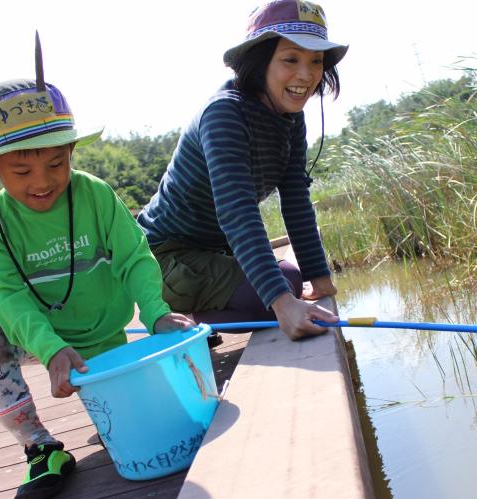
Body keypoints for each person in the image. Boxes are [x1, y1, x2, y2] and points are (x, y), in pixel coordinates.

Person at [0, 34, 193, 499]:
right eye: (21, 172)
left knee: (138, 428)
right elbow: (6, 297)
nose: (42, 181)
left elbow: (134, 258)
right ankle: (40, 447)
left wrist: (156, 314)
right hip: (40, 338)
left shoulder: (95, 195)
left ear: (71, 153)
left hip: (104, 333)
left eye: (56, 162)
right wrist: (49, 348)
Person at [137, 0, 346, 341]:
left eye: (316, 61)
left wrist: (320, 279)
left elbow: (295, 199)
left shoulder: (291, 119)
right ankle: (182, 324)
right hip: (164, 257)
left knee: (292, 277)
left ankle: (208, 317)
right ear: (259, 61)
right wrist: (282, 303)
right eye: (290, 59)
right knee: (277, 292)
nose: (305, 76)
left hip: (215, 251)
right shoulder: (225, 114)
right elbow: (237, 212)